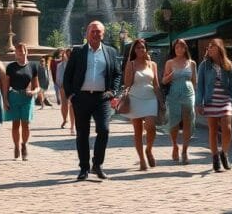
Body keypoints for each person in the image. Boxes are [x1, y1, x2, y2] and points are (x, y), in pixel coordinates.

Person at [62, 21, 122, 181]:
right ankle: (84, 168)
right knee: (82, 133)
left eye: (99, 32)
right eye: (93, 31)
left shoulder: (110, 52)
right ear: (87, 34)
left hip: (102, 98)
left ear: (103, 34)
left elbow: (117, 74)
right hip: (81, 98)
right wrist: (70, 95)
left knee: (104, 130)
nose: (96, 34)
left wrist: (113, 91)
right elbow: (67, 75)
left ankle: (98, 164)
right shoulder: (78, 51)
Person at [196, 38, 232, 172]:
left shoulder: (228, 65)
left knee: (227, 128)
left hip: (225, 100)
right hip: (210, 101)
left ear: (219, 48)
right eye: (208, 47)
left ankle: (224, 153)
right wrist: (199, 103)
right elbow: (200, 86)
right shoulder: (204, 65)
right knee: (213, 130)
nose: (209, 49)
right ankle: (215, 157)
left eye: (212, 46)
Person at [123, 38, 163, 171]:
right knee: (138, 131)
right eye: (138, 48)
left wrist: (161, 102)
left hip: (150, 98)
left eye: (143, 47)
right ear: (134, 50)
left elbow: (156, 85)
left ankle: (149, 149)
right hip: (135, 98)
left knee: (151, 127)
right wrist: (131, 70)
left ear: (146, 49)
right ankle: (141, 159)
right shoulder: (131, 64)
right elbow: (127, 84)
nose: (140, 50)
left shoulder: (153, 64)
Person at [4, 42, 40, 160]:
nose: (19, 54)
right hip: (14, 96)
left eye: (21, 52)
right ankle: (16, 146)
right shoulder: (10, 66)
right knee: (15, 124)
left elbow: (37, 86)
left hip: (27, 98)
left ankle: (24, 145)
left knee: (26, 124)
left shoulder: (33, 66)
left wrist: (34, 93)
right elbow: (6, 85)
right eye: (17, 52)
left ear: (26, 52)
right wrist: (5, 99)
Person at [163, 38, 196, 165]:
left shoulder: (191, 63)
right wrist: (171, 75)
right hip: (174, 94)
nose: (179, 49)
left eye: (182, 47)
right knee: (174, 122)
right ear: (174, 49)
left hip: (189, 93)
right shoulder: (169, 63)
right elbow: (164, 81)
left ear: (185, 48)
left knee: (188, 121)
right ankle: (175, 145)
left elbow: (194, 81)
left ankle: (185, 151)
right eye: (177, 47)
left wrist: (197, 99)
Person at [55, 49, 75, 134]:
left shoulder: (75, 64)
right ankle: (65, 119)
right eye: (65, 55)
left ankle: (72, 126)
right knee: (64, 104)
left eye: (69, 55)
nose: (66, 56)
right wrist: (61, 85)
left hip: (73, 86)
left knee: (72, 105)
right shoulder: (60, 65)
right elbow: (58, 77)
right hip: (63, 86)